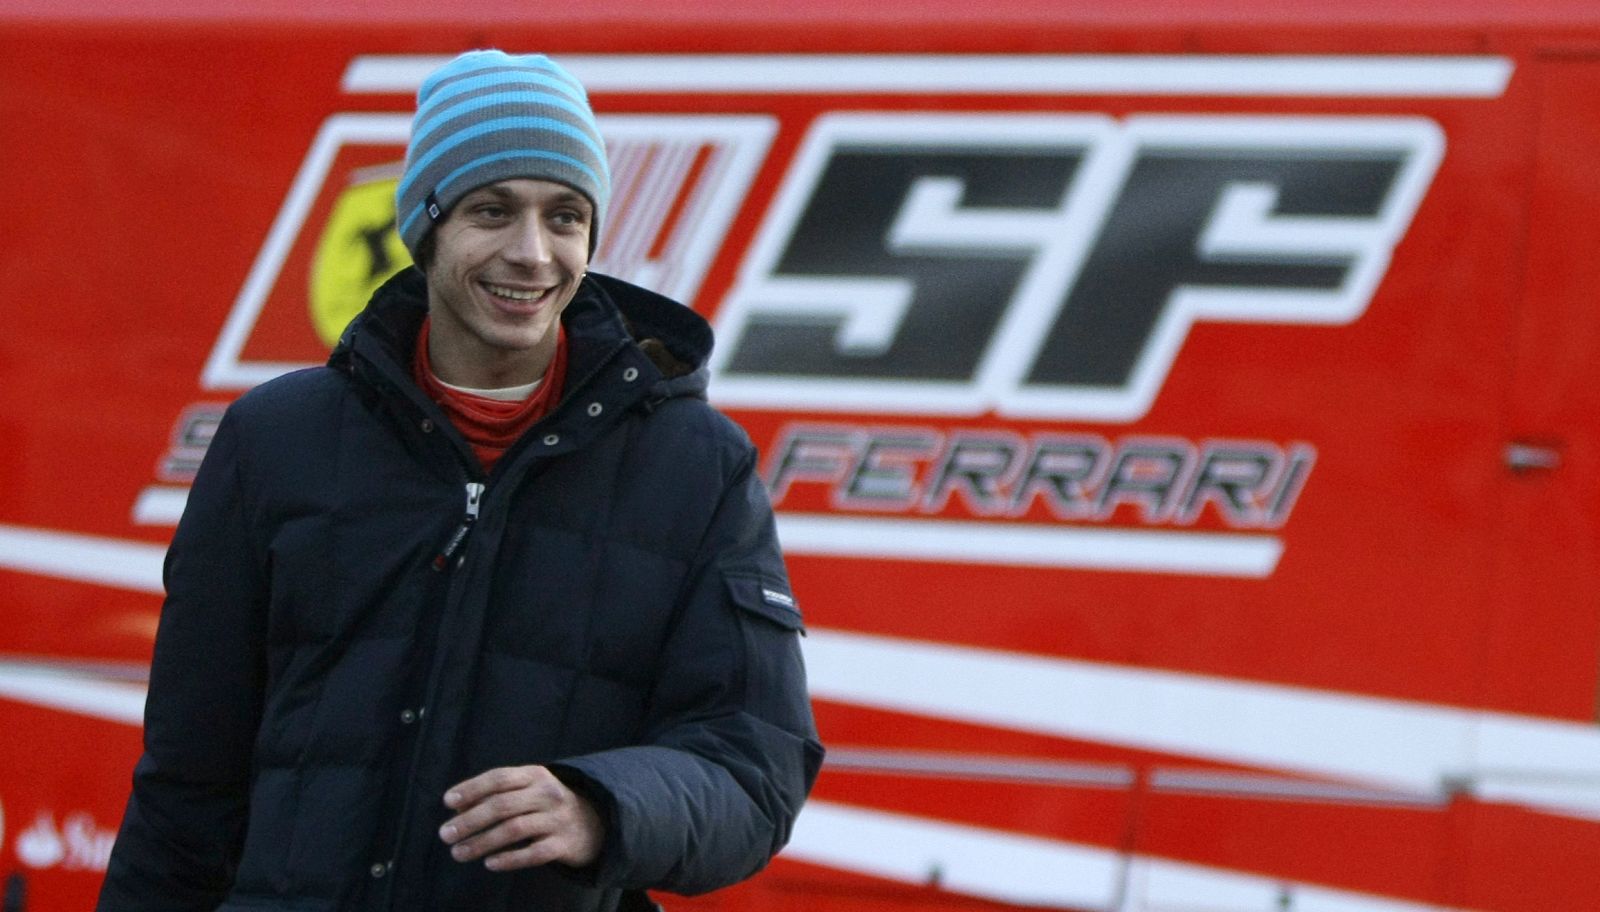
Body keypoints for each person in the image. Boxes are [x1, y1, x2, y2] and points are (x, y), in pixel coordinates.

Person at [97, 49, 823, 912]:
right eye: (491, 210)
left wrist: (604, 807)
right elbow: (187, 785)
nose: (532, 253)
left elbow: (754, 765)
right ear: (426, 226)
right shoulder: (273, 441)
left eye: (565, 217)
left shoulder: (696, 465)